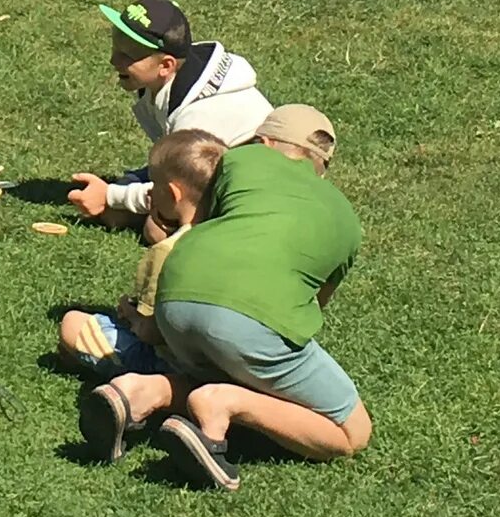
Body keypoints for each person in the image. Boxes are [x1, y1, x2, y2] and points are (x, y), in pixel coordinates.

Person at [76, 133, 369, 491]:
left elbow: (191, 210)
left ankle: (143, 391)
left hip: (178, 292)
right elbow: (315, 306)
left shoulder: (242, 161)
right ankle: (223, 405)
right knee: (352, 432)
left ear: (264, 141)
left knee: (225, 364)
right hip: (249, 317)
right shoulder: (345, 217)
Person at [67, 0, 273, 227]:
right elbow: (173, 166)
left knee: (153, 228)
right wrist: (131, 181)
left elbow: (182, 189)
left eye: (128, 55)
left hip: (259, 194)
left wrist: (110, 195)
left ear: (166, 65)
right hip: (213, 176)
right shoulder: (160, 84)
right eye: (116, 47)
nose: (114, 60)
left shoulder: (198, 117)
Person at [56, 129, 222, 375]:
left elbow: (152, 332)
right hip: (221, 358)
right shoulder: (230, 234)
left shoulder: (168, 252)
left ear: (173, 194)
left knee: (72, 324)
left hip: (173, 363)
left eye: (154, 186)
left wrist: (131, 315)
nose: (150, 193)